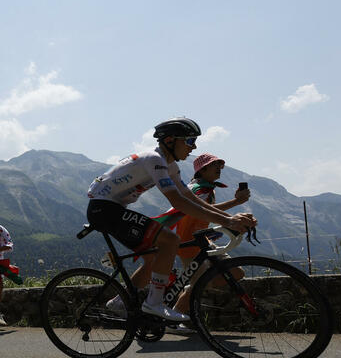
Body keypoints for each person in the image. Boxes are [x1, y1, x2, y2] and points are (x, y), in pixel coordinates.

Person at [86, 117, 256, 322]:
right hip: (103, 208)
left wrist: (229, 218)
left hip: (113, 208)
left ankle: (119, 302)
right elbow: (178, 201)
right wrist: (229, 221)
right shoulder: (154, 160)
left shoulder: (170, 166)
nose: (193, 147)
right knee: (170, 240)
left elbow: (190, 198)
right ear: (169, 140)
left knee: (153, 257)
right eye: (190, 141)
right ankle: (154, 303)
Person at [123, 153, 252, 327]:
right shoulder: (199, 188)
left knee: (236, 273)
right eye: (215, 166)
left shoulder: (201, 187)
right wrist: (235, 204)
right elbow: (201, 209)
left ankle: (189, 290)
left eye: (220, 166)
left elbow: (205, 212)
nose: (219, 169)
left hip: (202, 241)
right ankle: (175, 315)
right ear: (203, 169)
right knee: (199, 283)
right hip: (189, 244)